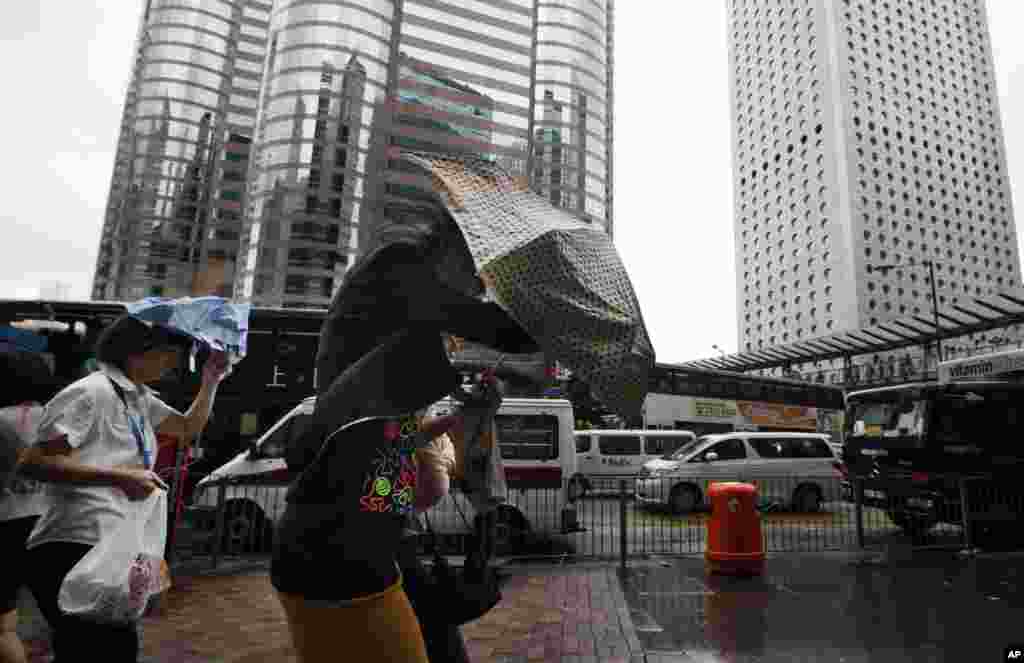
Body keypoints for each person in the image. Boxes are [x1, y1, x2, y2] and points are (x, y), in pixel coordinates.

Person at [272, 330, 501, 663]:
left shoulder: (368, 417)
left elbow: (405, 458)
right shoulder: (374, 422)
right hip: (350, 560)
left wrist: (468, 418)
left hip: (308, 559)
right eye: (446, 353)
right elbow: (407, 486)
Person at [18, 315, 228, 663]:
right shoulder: (92, 392)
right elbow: (34, 462)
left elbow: (188, 427)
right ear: (136, 352)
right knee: (102, 649)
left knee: (101, 649)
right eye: (168, 355)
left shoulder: (138, 398)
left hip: (108, 542)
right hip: (73, 541)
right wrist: (121, 477)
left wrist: (212, 380)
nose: (174, 366)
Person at [0, 351, 59, 663]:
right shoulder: (56, 416)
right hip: (53, 521)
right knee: (63, 615)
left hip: (8, 523)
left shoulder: (1, 420)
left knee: (3, 624)